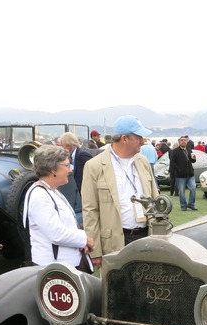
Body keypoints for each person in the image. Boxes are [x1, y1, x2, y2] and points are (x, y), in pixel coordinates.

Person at [81, 115, 158, 268]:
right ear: (124, 138)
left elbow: (155, 200)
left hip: (147, 238)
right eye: (139, 137)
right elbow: (90, 210)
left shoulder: (143, 162)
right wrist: (95, 251)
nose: (143, 141)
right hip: (115, 242)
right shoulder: (94, 166)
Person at [22, 144, 93, 269]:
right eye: (66, 165)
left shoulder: (51, 191)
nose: (70, 169)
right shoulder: (40, 196)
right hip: (54, 268)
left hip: (64, 265)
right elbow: (56, 234)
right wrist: (84, 239)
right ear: (53, 169)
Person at [55, 132, 93, 203]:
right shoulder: (72, 156)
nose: (60, 148)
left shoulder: (82, 155)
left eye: (62, 145)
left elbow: (94, 171)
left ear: (68, 146)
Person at [170, 135, 197, 210]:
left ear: (187, 141)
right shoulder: (175, 151)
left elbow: (192, 161)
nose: (183, 141)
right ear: (179, 141)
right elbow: (172, 162)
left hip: (190, 174)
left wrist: (194, 159)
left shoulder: (189, 150)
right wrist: (178, 170)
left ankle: (191, 204)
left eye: (185, 140)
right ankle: (183, 206)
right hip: (180, 175)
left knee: (193, 188)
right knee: (181, 192)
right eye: (181, 140)